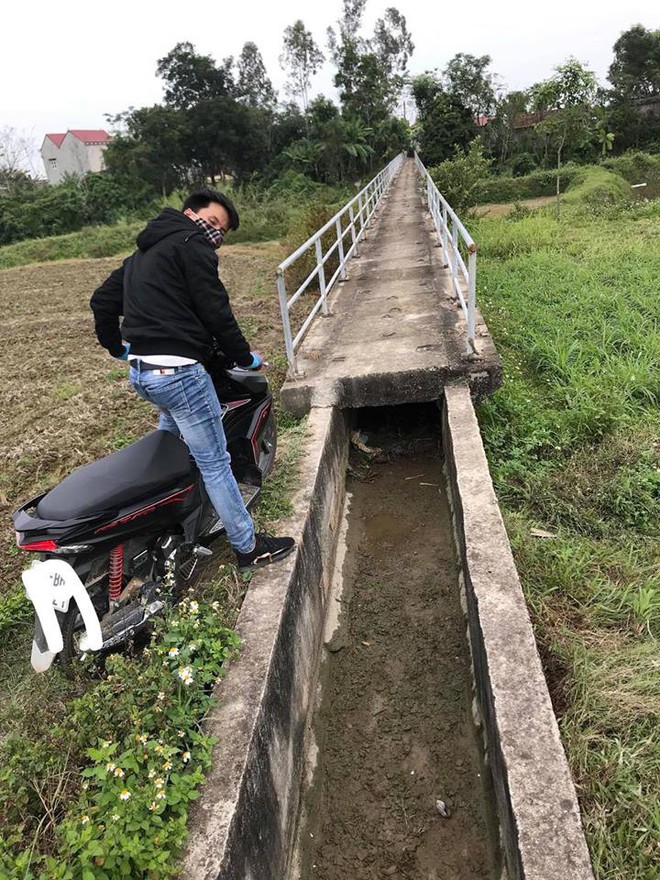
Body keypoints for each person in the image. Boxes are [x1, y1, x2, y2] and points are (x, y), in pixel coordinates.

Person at [90, 189, 295, 572]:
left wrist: (119, 350)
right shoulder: (192, 245)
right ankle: (249, 548)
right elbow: (215, 310)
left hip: (144, 375)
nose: (215, 233)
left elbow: (103, 301)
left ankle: (176, 524)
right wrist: (243, 357)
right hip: (180, 373)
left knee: (171, 449)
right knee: (215, 463)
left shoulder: (142, 256)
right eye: (213, 222)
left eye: (222, 231)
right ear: (190, 213)